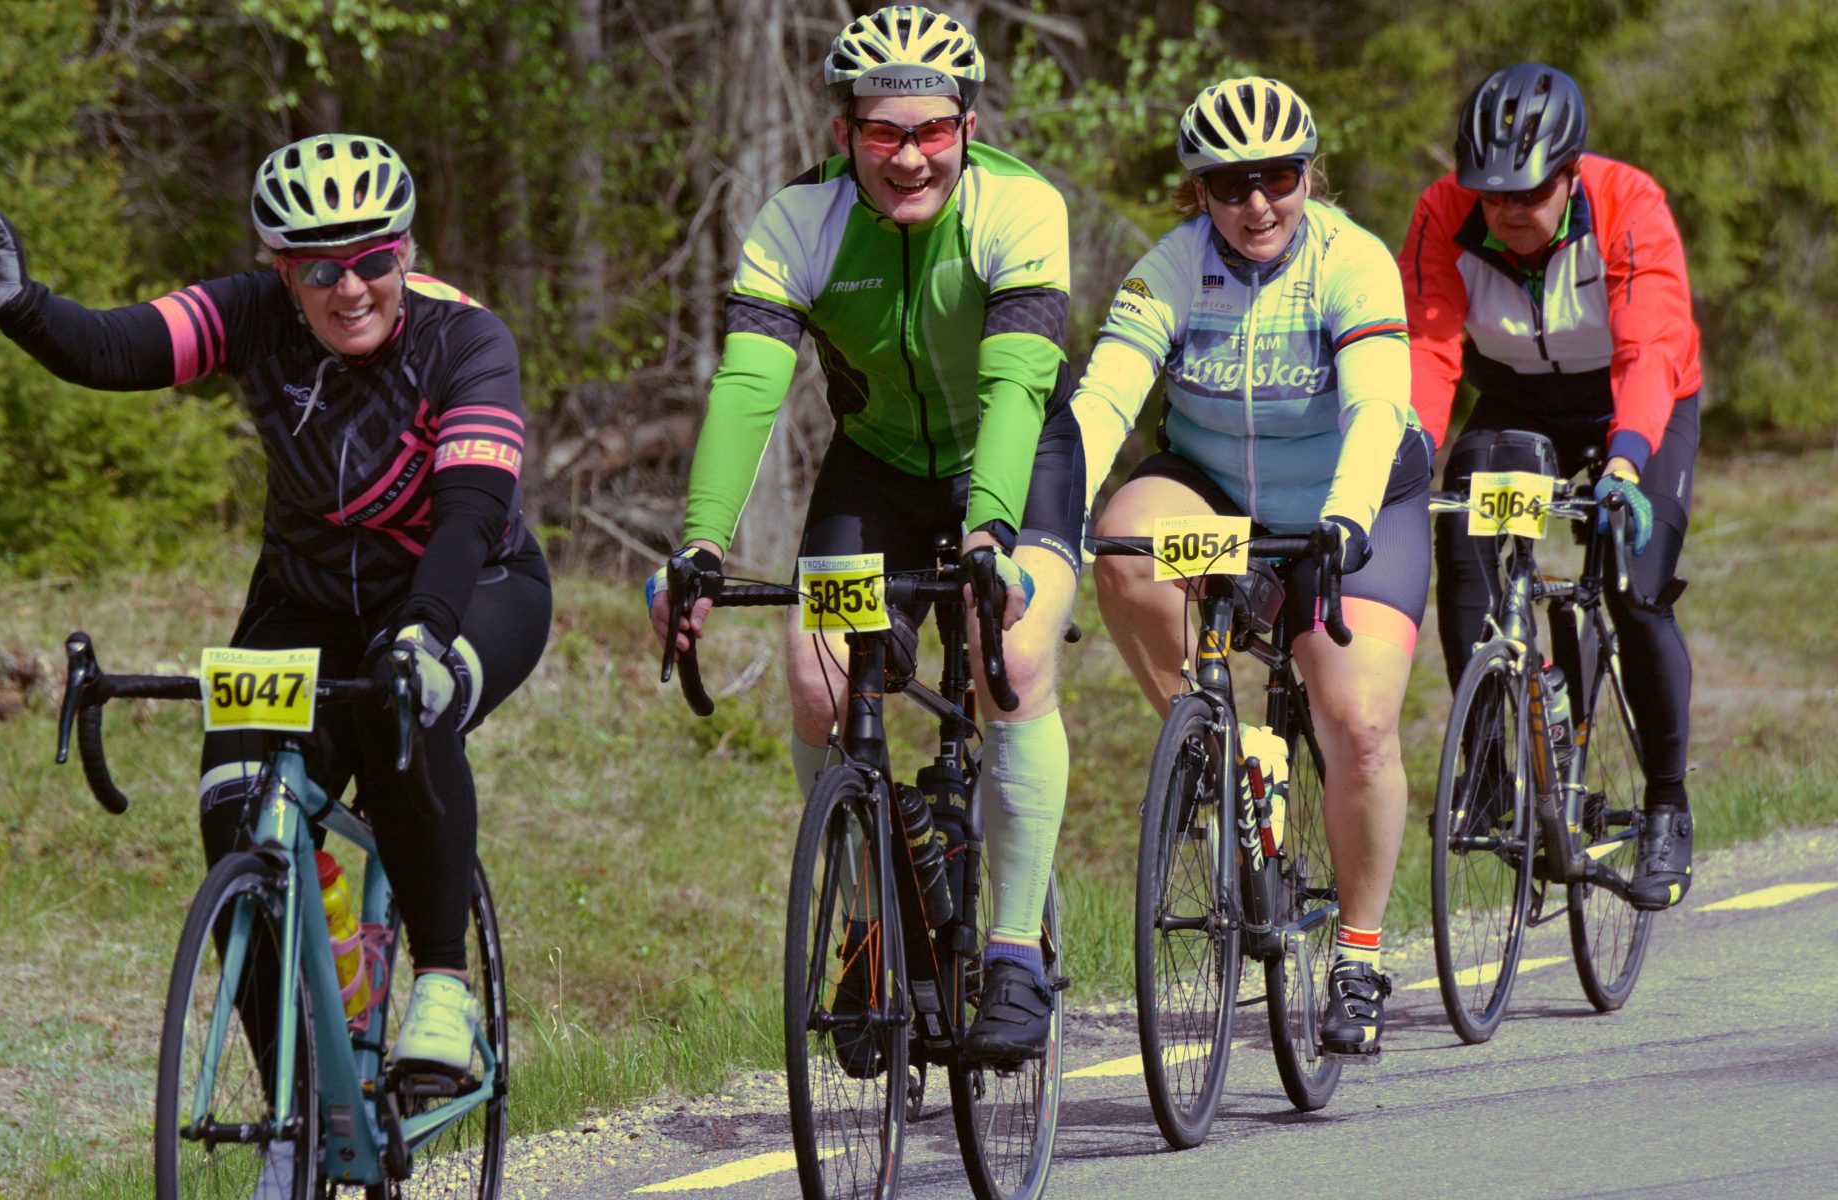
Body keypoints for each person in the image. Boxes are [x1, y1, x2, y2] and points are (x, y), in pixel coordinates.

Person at [0, 135, 552, 1076]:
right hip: (308, 599)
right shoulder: (250, 314)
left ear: (405, 251)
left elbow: (468, 514)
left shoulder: (468, 340)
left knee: (407, 699)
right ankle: (300, 1110)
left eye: (372, 259)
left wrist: (423, 634)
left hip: (470, 586)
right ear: (283, 270)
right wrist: (20, 306)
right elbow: (118, 347)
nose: (350, 287)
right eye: (322, 266)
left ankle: (443, 987)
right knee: (235, 802)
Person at [646, 4, 1085, 1061]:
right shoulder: (794, 221)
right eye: (882, 131)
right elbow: (750, 385)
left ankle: (1017, 953)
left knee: (1007, 658)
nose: (907, 155)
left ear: (966, 128)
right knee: (817, 680)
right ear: (842, 132)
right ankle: (868, 924)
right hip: (877, 469)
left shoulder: (1019, 207)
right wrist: (701, 544)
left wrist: (988, 533)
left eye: (930, 130)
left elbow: (1017, 386)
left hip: (1017, 465)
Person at [1077, 77, 1428, 1057]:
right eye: (1229, 185)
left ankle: (1357, 955)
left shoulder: (1349, 262)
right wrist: (1044, 520)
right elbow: (1102, 401)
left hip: (1352, 501)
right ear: (1197, 192)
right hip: (1213, 491)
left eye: (1277, 178)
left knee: (1356, 726)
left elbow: (1374, 407)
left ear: (1308, 174)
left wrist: (1343, 520)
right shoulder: (1169, 270)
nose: (1256, 204)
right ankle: (1223, 752)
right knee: (1122, 552)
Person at [1400, 63, 1702, 910]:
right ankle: (1494, 763)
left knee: (1635, 588)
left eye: (1526, 195)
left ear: (1569, 174)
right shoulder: (1442, 215)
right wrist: (1414, 451)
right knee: (1460, 527)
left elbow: (1650, 346)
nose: (1506, 211)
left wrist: (1625, 463)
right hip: (1520, 400)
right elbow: (1428, 347)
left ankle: (1668, 806)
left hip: (1635, 400)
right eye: (1490, 194)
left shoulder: (1627, 203)